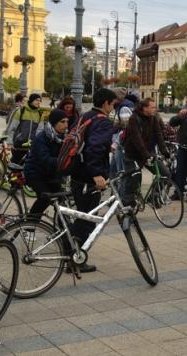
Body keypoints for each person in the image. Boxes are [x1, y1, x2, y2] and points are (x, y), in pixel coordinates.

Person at [68, 88, 118, 273]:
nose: (113, 109)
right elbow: (94, 148)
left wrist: (107, 148)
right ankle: (73, 257)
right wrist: (97, 173)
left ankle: (72, 253)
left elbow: (87, 143)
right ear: (106, 103)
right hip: (88, 177)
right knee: (86, 219)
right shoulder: (103, 122)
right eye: (113, 105)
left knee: (82, 215)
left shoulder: (85, 116)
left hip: (77, 174)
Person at [122, 98, 169, 207]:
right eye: (152, 107)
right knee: (135, 178)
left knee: (165, 174)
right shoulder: (134, 118)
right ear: (144, 108)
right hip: (133, 155)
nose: (155, 109)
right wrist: (146, 154)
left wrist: (165, 151)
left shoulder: (153, 118)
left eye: (155, 107)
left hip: (148, 154)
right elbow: (137, 139)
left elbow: (159, 135)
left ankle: (153, 196)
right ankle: (127, 207)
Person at [24, 109, 69, 219]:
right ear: (54, 123)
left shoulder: (62, 137)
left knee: (62, 200)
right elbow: (45, 159)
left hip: (50, 174)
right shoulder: (42, 137)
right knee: (45, 198)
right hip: (35, 173)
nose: (66, 125)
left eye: (67, 121)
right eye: (62, 122)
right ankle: (29, 226)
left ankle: (63, 230)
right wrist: (63, 161)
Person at [6, 93, 46, 164]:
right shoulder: (21, 112)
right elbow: (12, 128)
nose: (39, 102)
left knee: (27, 168)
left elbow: (40, 131)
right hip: (19, 144)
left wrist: (37, 144)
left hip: (31, 146)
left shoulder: (40, 114)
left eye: (40, 100)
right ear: (31, 100)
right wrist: (9, 142)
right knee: (15, 165)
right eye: (37, 100)